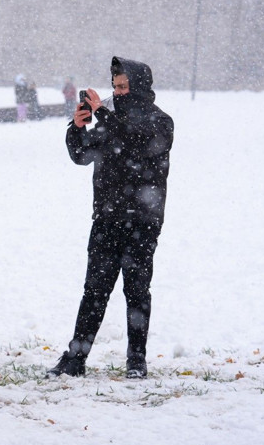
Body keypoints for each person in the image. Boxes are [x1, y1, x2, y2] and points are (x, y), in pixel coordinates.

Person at [47, 57, 174, 380]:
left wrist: (103, 113)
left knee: (137, 291)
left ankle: (136, 360)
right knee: (94, 290)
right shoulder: (110, 119)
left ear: (140, 86)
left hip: (143, 221)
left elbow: (137, 143)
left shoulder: (161, 122)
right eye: (114, 87)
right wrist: (77, 129)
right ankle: (76, 358)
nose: (116, 93)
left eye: (123, 86)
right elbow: (81, 155)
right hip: (106, 219)